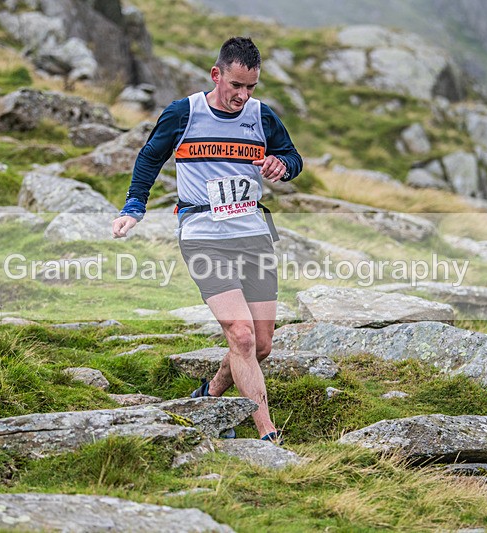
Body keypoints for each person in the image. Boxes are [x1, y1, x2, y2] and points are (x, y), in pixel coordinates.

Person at [112, 36, 303, 443]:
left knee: (261, 345)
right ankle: (268, 434)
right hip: (203, 235)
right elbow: (150, 158)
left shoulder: (261, 116)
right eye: (236, 85)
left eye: (250, 87)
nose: (242, 95)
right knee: (241, 334)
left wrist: (281, 165)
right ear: (216, 75)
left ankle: (210, 396)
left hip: (252, 235)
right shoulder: (184, 113)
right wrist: (133, 207)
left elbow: (293, 158)